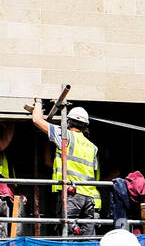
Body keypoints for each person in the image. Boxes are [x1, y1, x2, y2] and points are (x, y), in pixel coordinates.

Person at [30, 100, 100, 235]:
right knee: (87, 239)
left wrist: (38, 102)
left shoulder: (65, 136)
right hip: (89, 197)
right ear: (85, 126)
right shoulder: (92, 147)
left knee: (67, 234)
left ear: (67, 122)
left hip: (72, 195)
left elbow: (37, 120)